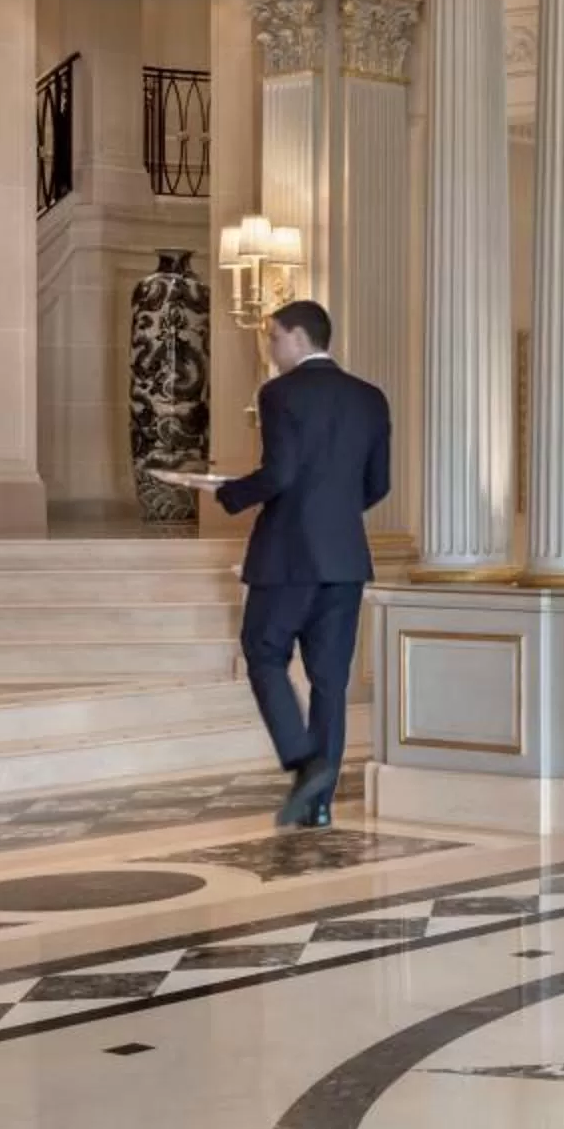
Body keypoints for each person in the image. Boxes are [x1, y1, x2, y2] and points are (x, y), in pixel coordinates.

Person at [154, 299, 390, 828]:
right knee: (330, 678)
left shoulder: (280, 393)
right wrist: (331, 515)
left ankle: (305, 762)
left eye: (274, 338)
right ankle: (320, 802)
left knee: (262, 652)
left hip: (287, 554)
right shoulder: (370, 398)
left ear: (299, 339)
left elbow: (280, 472)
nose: (271, 348)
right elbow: (378, 484)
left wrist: (230, 492)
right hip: (346, 557)